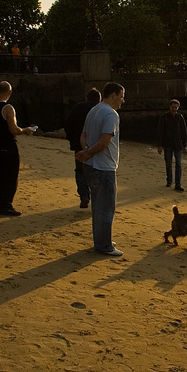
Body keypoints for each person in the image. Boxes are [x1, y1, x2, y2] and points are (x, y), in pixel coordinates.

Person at [75, 82, 125, 257]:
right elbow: (105, 141)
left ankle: (102, 240)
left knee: (98, 205)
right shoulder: (111, 114)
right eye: (121, 96)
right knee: (106, 207)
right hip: (103, 167)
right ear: (113, 95)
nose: (122, 100)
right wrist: (88, 152)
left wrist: (86, 152)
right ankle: (104, 245)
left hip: (91, 166)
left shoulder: (94, 110)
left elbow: (84, 135)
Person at [0, 80, 34, 216]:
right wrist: (25, 130)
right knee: (10, 175)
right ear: (9, 92)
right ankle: (7, 204)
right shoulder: (7, 108)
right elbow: (13, 129)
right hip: (7, 144)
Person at [64, 88, 101, 208]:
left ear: (87, 97)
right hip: (98, 145)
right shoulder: (102, 109)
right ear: (99, 98)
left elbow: (68, 124)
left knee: (80, 171)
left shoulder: (78, 107)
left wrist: (72, 140)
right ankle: (97, 198)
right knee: (97, 171)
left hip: (79, 145)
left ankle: (84, 195)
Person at [157, 99, 187, 192]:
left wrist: (185, 145)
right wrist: (159, 145)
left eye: (176, 108)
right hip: (167, 144)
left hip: (178, 144)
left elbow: (184, 131)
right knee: (168, 163)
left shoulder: (180, 117)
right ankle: (169, 180)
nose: (174, 109)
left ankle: (178, 184)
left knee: (178, 164)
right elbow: (160, 131)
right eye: (173, 107)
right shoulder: (164, 117)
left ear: (178, 108)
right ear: (170, 107)